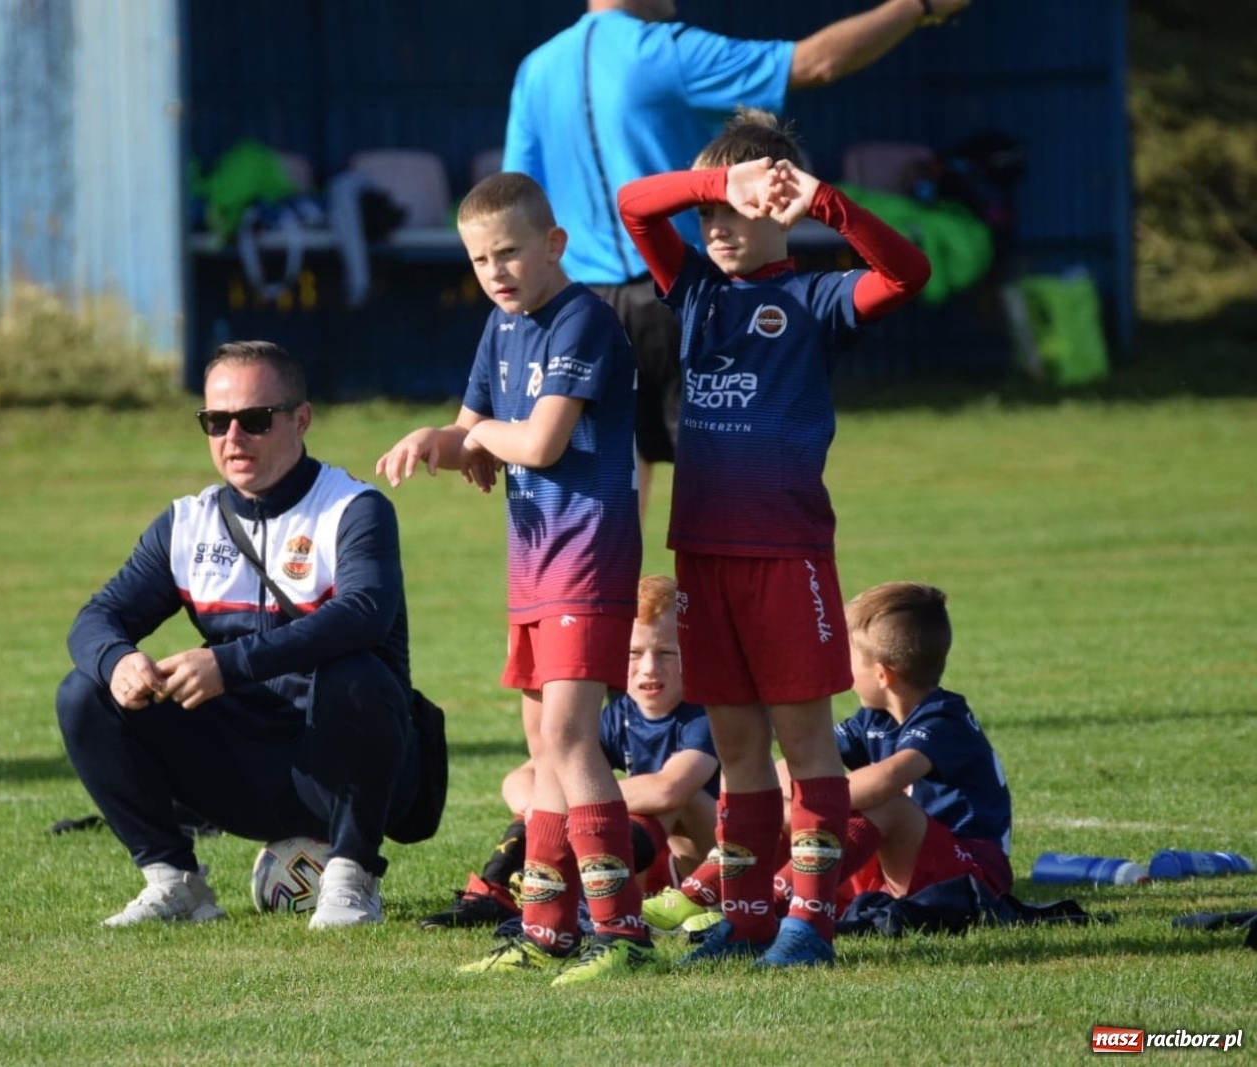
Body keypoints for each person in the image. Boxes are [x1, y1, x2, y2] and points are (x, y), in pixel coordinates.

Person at [616, 110, 932, 967]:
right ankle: (752, 914)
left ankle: (811, 922)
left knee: (804, 742)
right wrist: (722, 181)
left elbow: (907, 272)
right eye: (711, 212)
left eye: (739, 211)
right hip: (703, 559)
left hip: (787, 558)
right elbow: (636, 204)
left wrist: (828, 204)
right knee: (737, 747)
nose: (716, 227)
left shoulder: (818, 298)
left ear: (783, 208)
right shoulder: (696, 290)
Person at [502, 0, 973, 517]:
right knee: (724, 465)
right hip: (685, 293)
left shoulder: (537, 68)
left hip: (586, 304)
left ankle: (620, 599)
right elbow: (818, 62)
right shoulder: (664, 51)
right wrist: (918, 7)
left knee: (606, 505)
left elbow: (518, 196)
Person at [377, 171, 651, 984]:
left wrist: (478, 437)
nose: (495, 272)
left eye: (509, 253)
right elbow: (475, 437)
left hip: (587, 551)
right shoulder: (502, 329)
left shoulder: (582, 321)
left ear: (554, 244)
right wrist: (437, 442)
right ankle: (544, 928)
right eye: (479, 259)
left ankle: (622, 931)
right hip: (535, 562)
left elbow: (540, 445)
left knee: (571, 739)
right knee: (541, 746)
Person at [57, 340, 422, 930]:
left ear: (301, 419)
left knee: (357, 671)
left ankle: (352, 877)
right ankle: (175, 883)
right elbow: (96, 619)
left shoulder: (353, 508)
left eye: (254, 420)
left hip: (346, 765)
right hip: (238, 772)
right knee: (84, 691)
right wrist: (118, 661)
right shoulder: (186, 521)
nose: (233, 438)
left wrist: (227, 665)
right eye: (215, 421)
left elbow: (366, 612)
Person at [644, 581, 1013, 930]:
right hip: (903, 867)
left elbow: (886, 781)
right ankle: (712, 895)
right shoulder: (873, 719)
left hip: (971, 875)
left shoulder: (944, 718)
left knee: (878, 804)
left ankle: (775, 897)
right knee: (797, 806)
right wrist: (783, 802)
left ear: (882, 675)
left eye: (850, 657)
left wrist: (811, 804)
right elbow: (799, 762)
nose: (843, 667)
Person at [420, 574, 719, 930]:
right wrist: (542, 809)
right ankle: (496, 891)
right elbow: (521, 777)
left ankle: (585, 902)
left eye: (667, 653)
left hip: (708, 865)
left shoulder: (707, 713)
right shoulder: (620, 714)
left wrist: (574, 801)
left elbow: (668, 789)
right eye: (634, 653)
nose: (649, 668)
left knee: (665, 801)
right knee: (555, 788)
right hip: (650, 868)